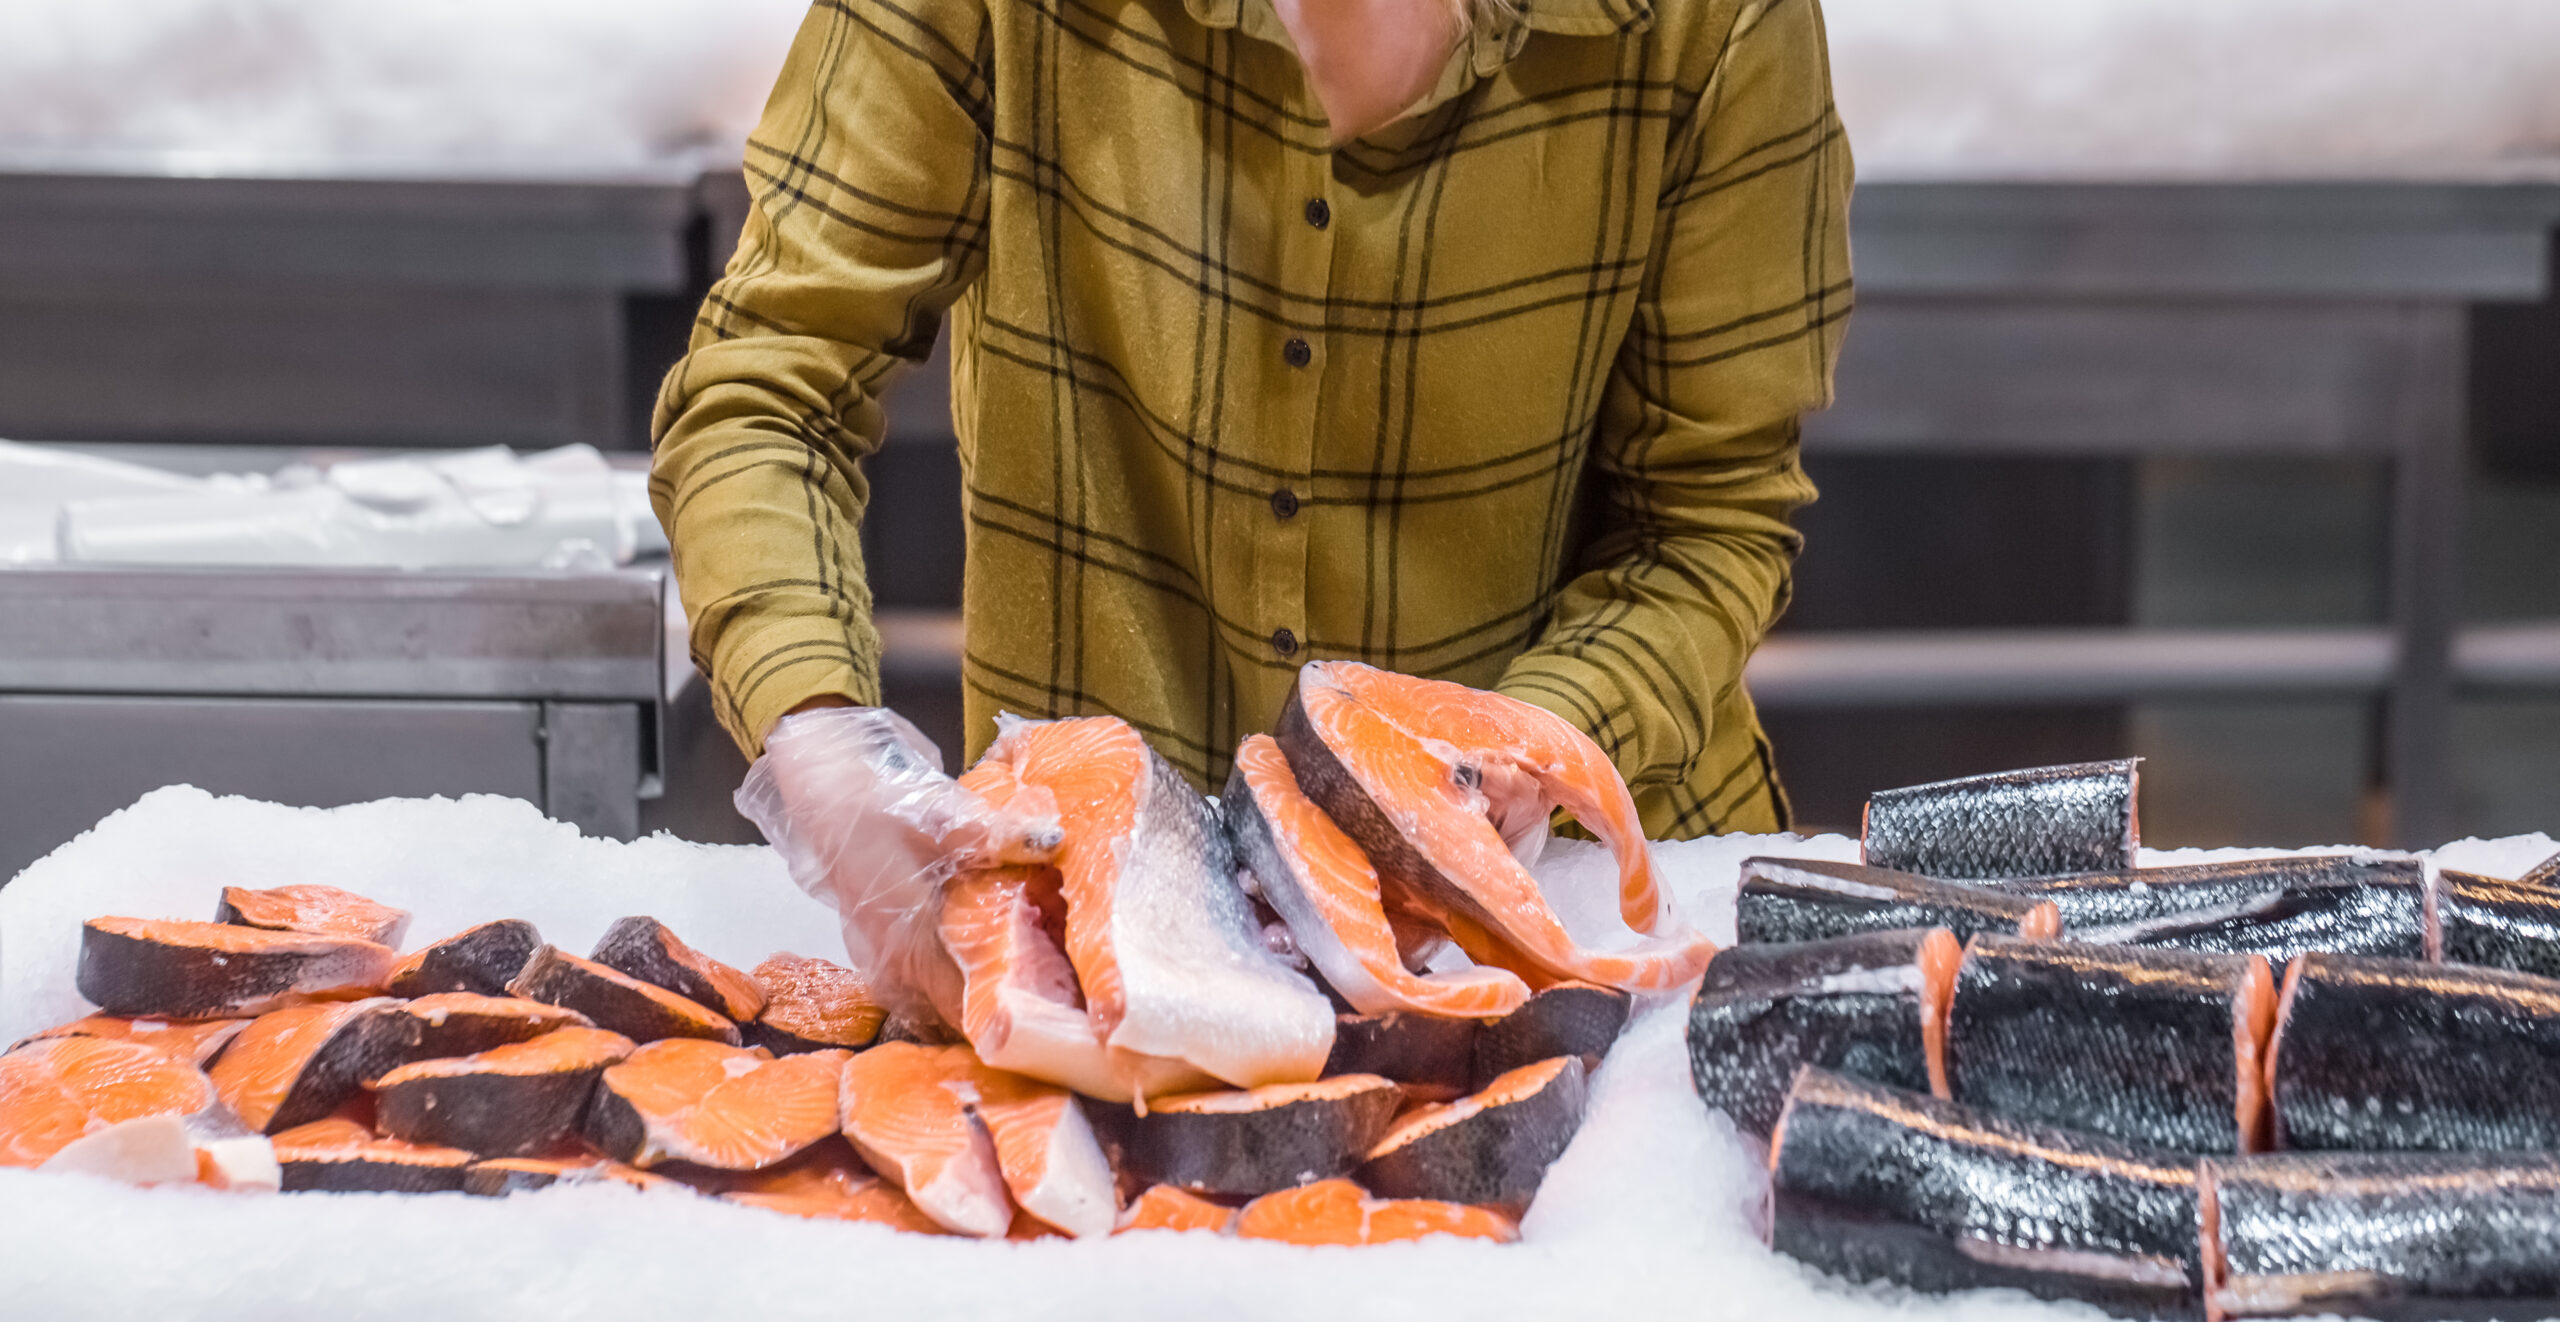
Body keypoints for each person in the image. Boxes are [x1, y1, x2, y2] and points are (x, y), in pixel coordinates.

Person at [652, 0, 1852, 838]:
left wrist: (1536, 742)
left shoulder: (1719, 21)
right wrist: (817, 737)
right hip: (1103, 896)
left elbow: (1705, 523)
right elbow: (769, 383)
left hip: (1583, 901)